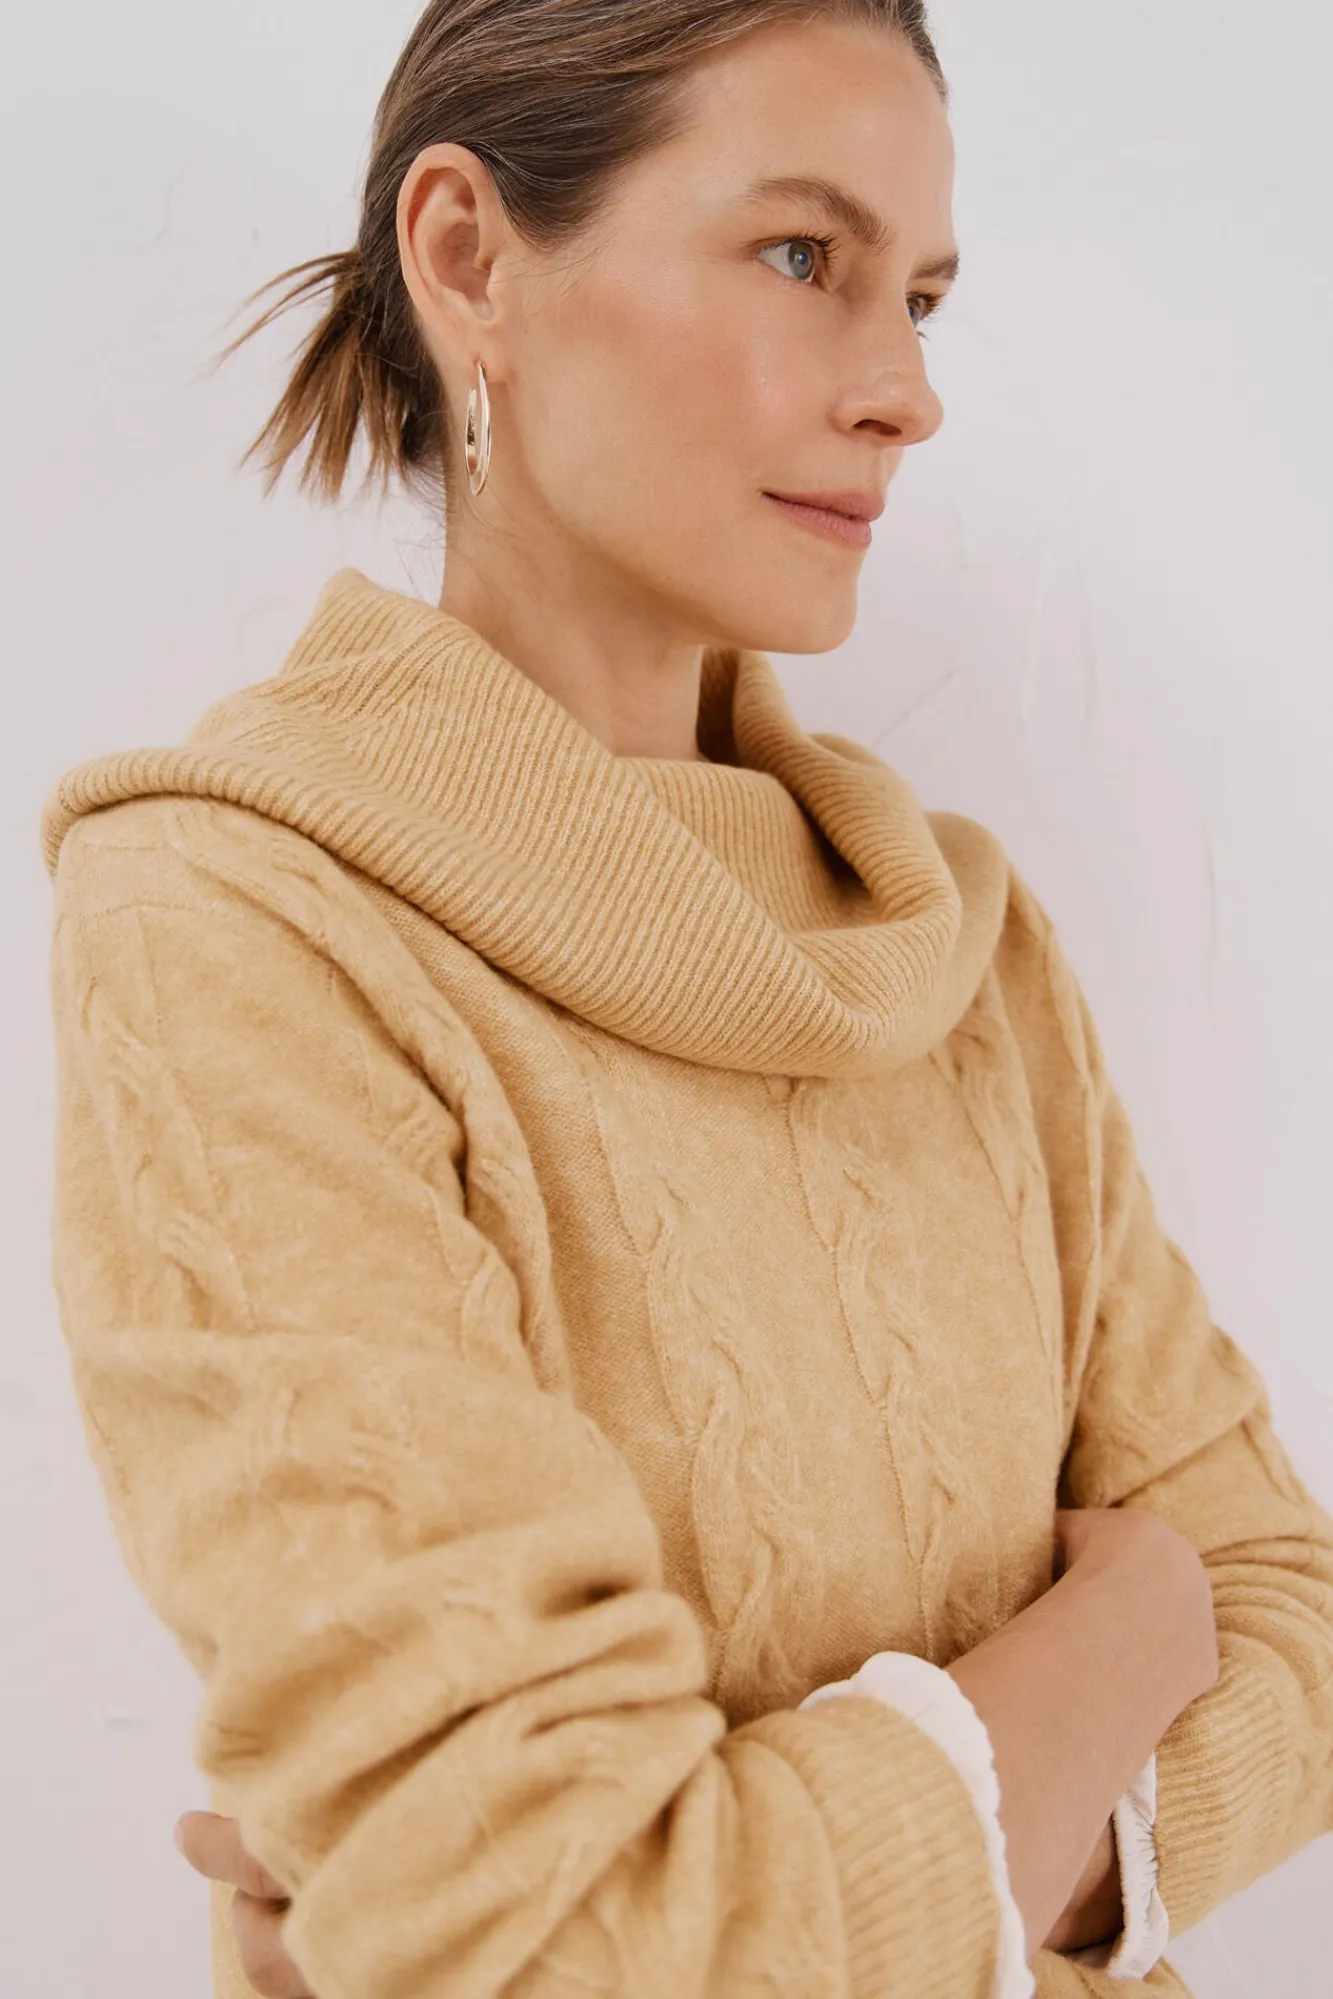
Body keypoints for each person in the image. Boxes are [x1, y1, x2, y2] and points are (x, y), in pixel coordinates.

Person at [40, 4, 1333, 1997]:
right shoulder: (244, 922)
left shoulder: (961, 947)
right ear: (469, 256)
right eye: (805, 257)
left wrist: (964, 1843)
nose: (907, 391)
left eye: (922, 296)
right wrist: (1119, 1641)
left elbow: (1294, 1624)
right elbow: (570, 1935)